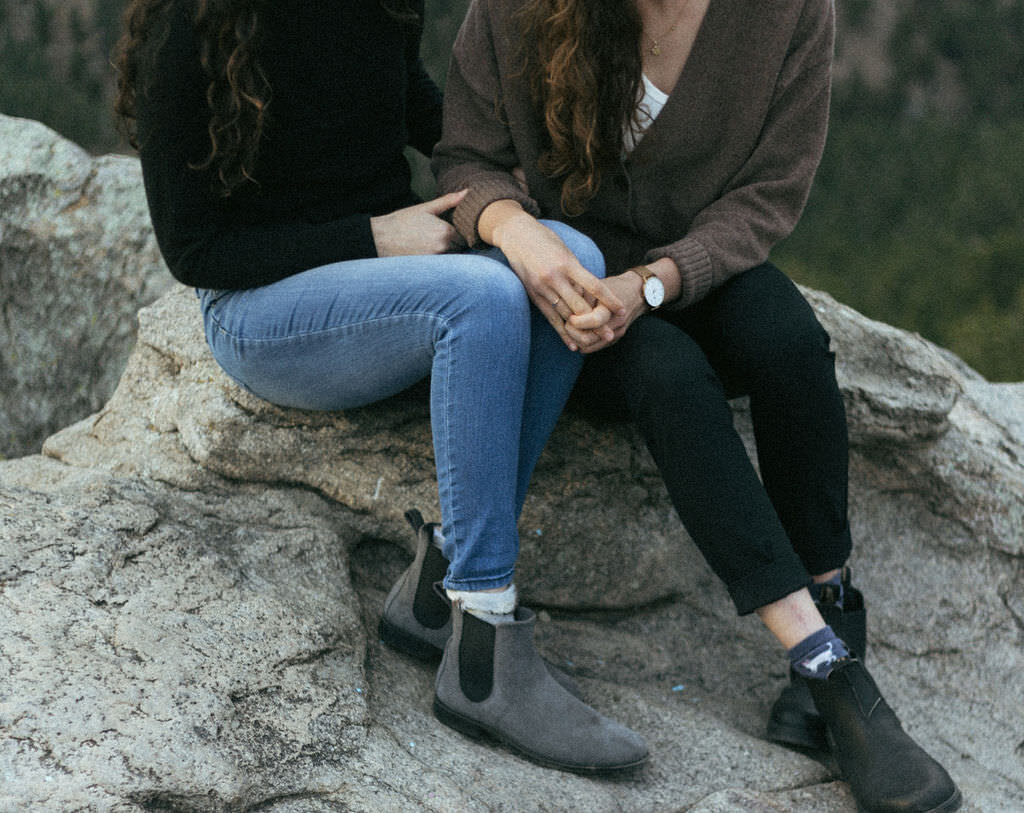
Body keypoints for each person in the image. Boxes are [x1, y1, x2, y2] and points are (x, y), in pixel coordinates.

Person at [423, 0, 963, 810]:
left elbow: (769, 195)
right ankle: (825, 665)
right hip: (566, 286)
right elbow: (469, 156)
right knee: (670, 378)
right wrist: (522, 239)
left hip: (682, 271)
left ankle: (833, 610)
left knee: (788, 340)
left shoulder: (788, 12)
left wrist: (653, 282)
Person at [113, 0, 649, 774]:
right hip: (262, 308)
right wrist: (374, 236)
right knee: (485, 297)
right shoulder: (188, 23)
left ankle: (436, 591)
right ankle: (484, 650)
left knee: (570, 261)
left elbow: (417, 106)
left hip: (383, 282)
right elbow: (195, 250)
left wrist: (502, 198)